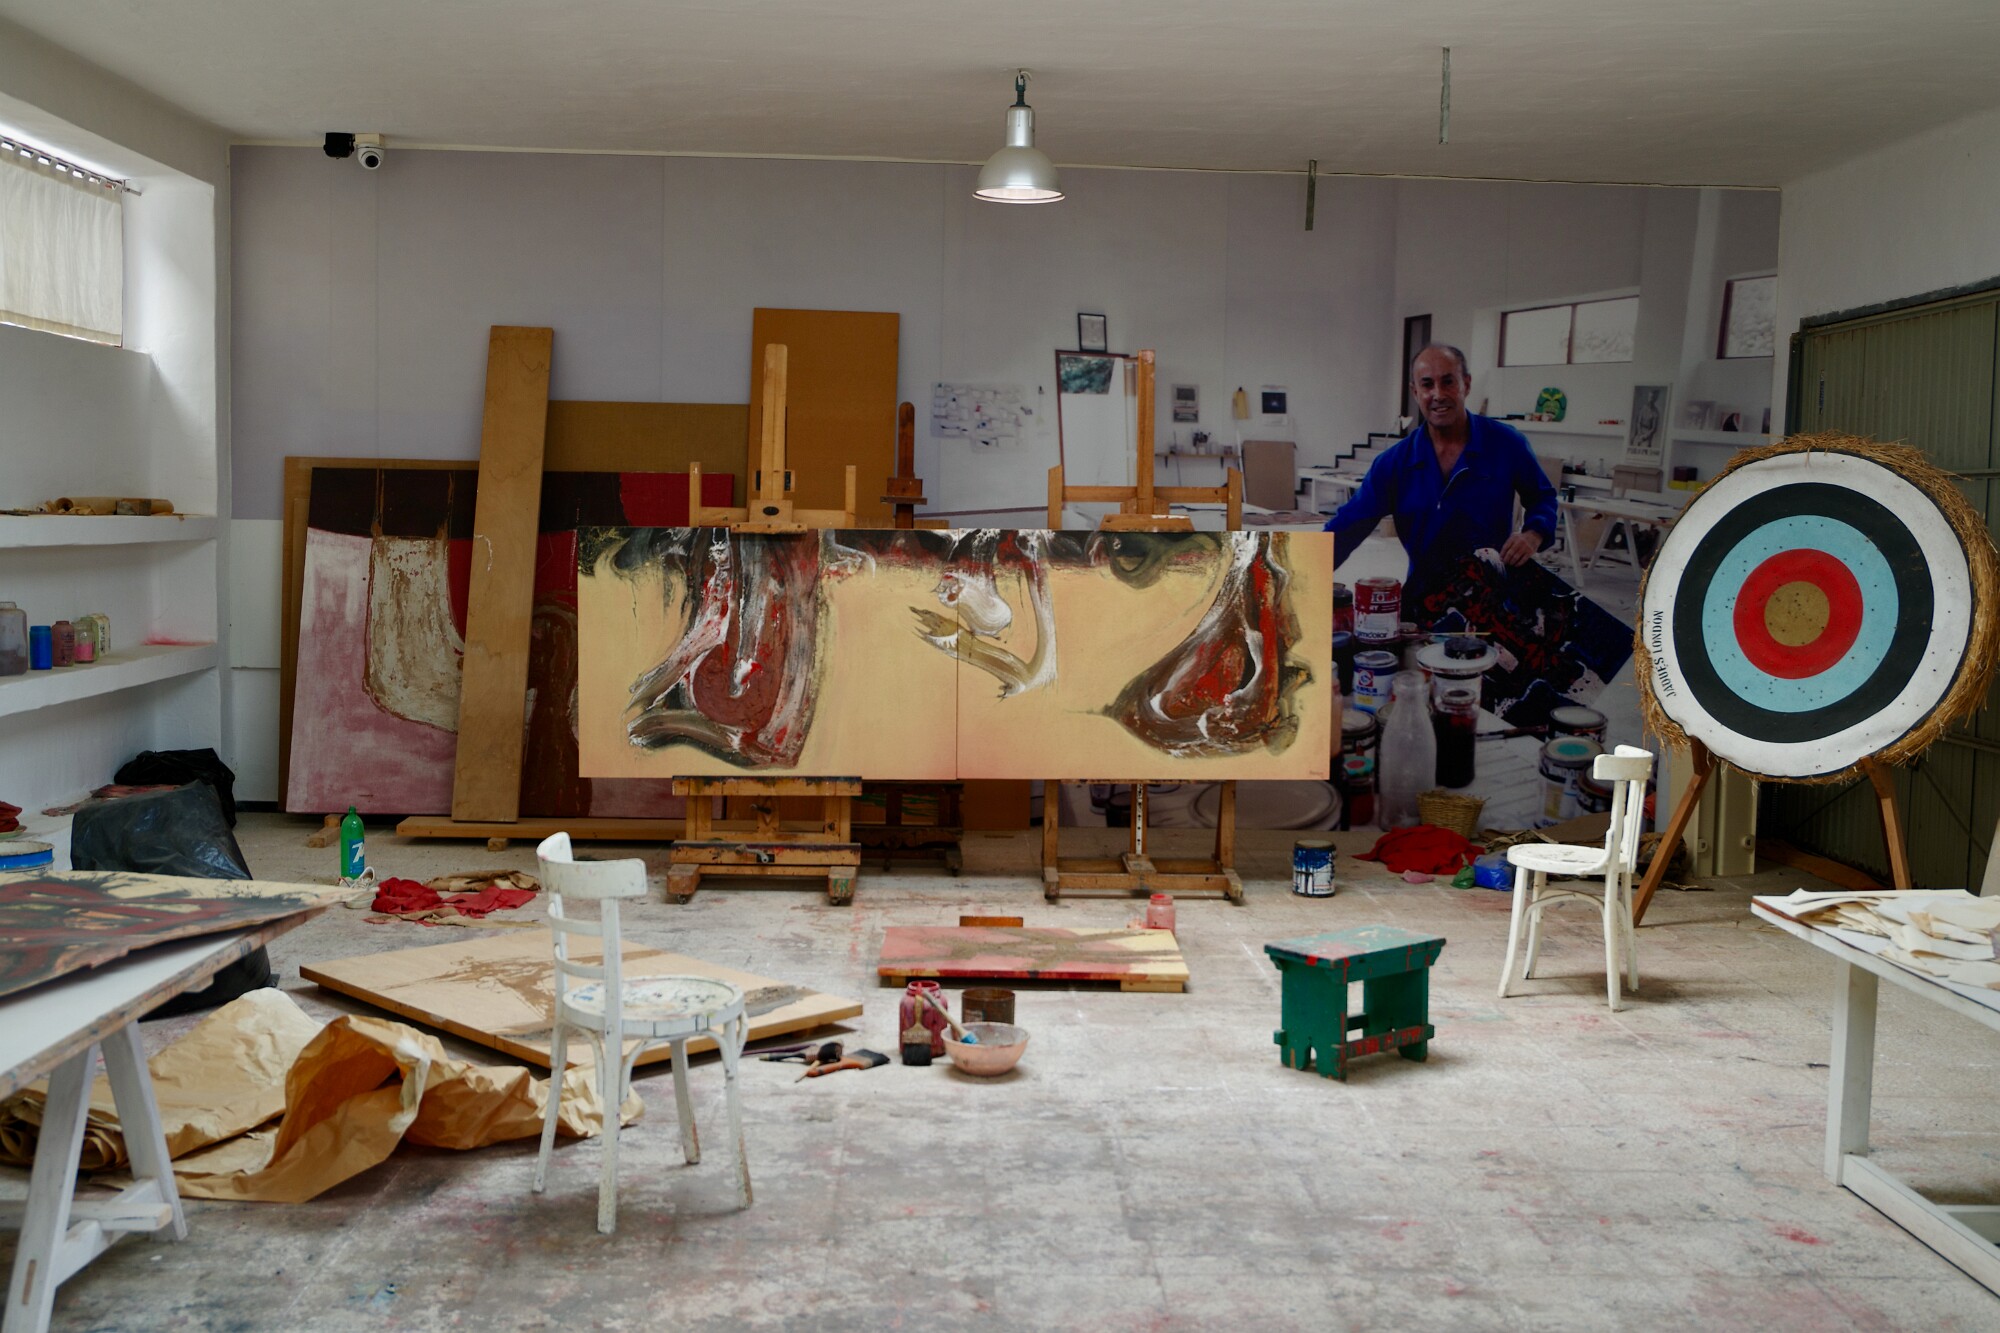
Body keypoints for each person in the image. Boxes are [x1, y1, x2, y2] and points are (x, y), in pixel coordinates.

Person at [1324, 344, 1558, 616]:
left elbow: (1542, 497)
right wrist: (1300, 573)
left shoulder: (1506, 444)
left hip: (1493, 604)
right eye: (1427, 384)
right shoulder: (1394, 464)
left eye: (1448, 382)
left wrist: (1534, 533)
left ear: (1466, 384)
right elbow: (1347, 527)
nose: (1438, 394)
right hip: (1425, 603)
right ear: (1415, 392)